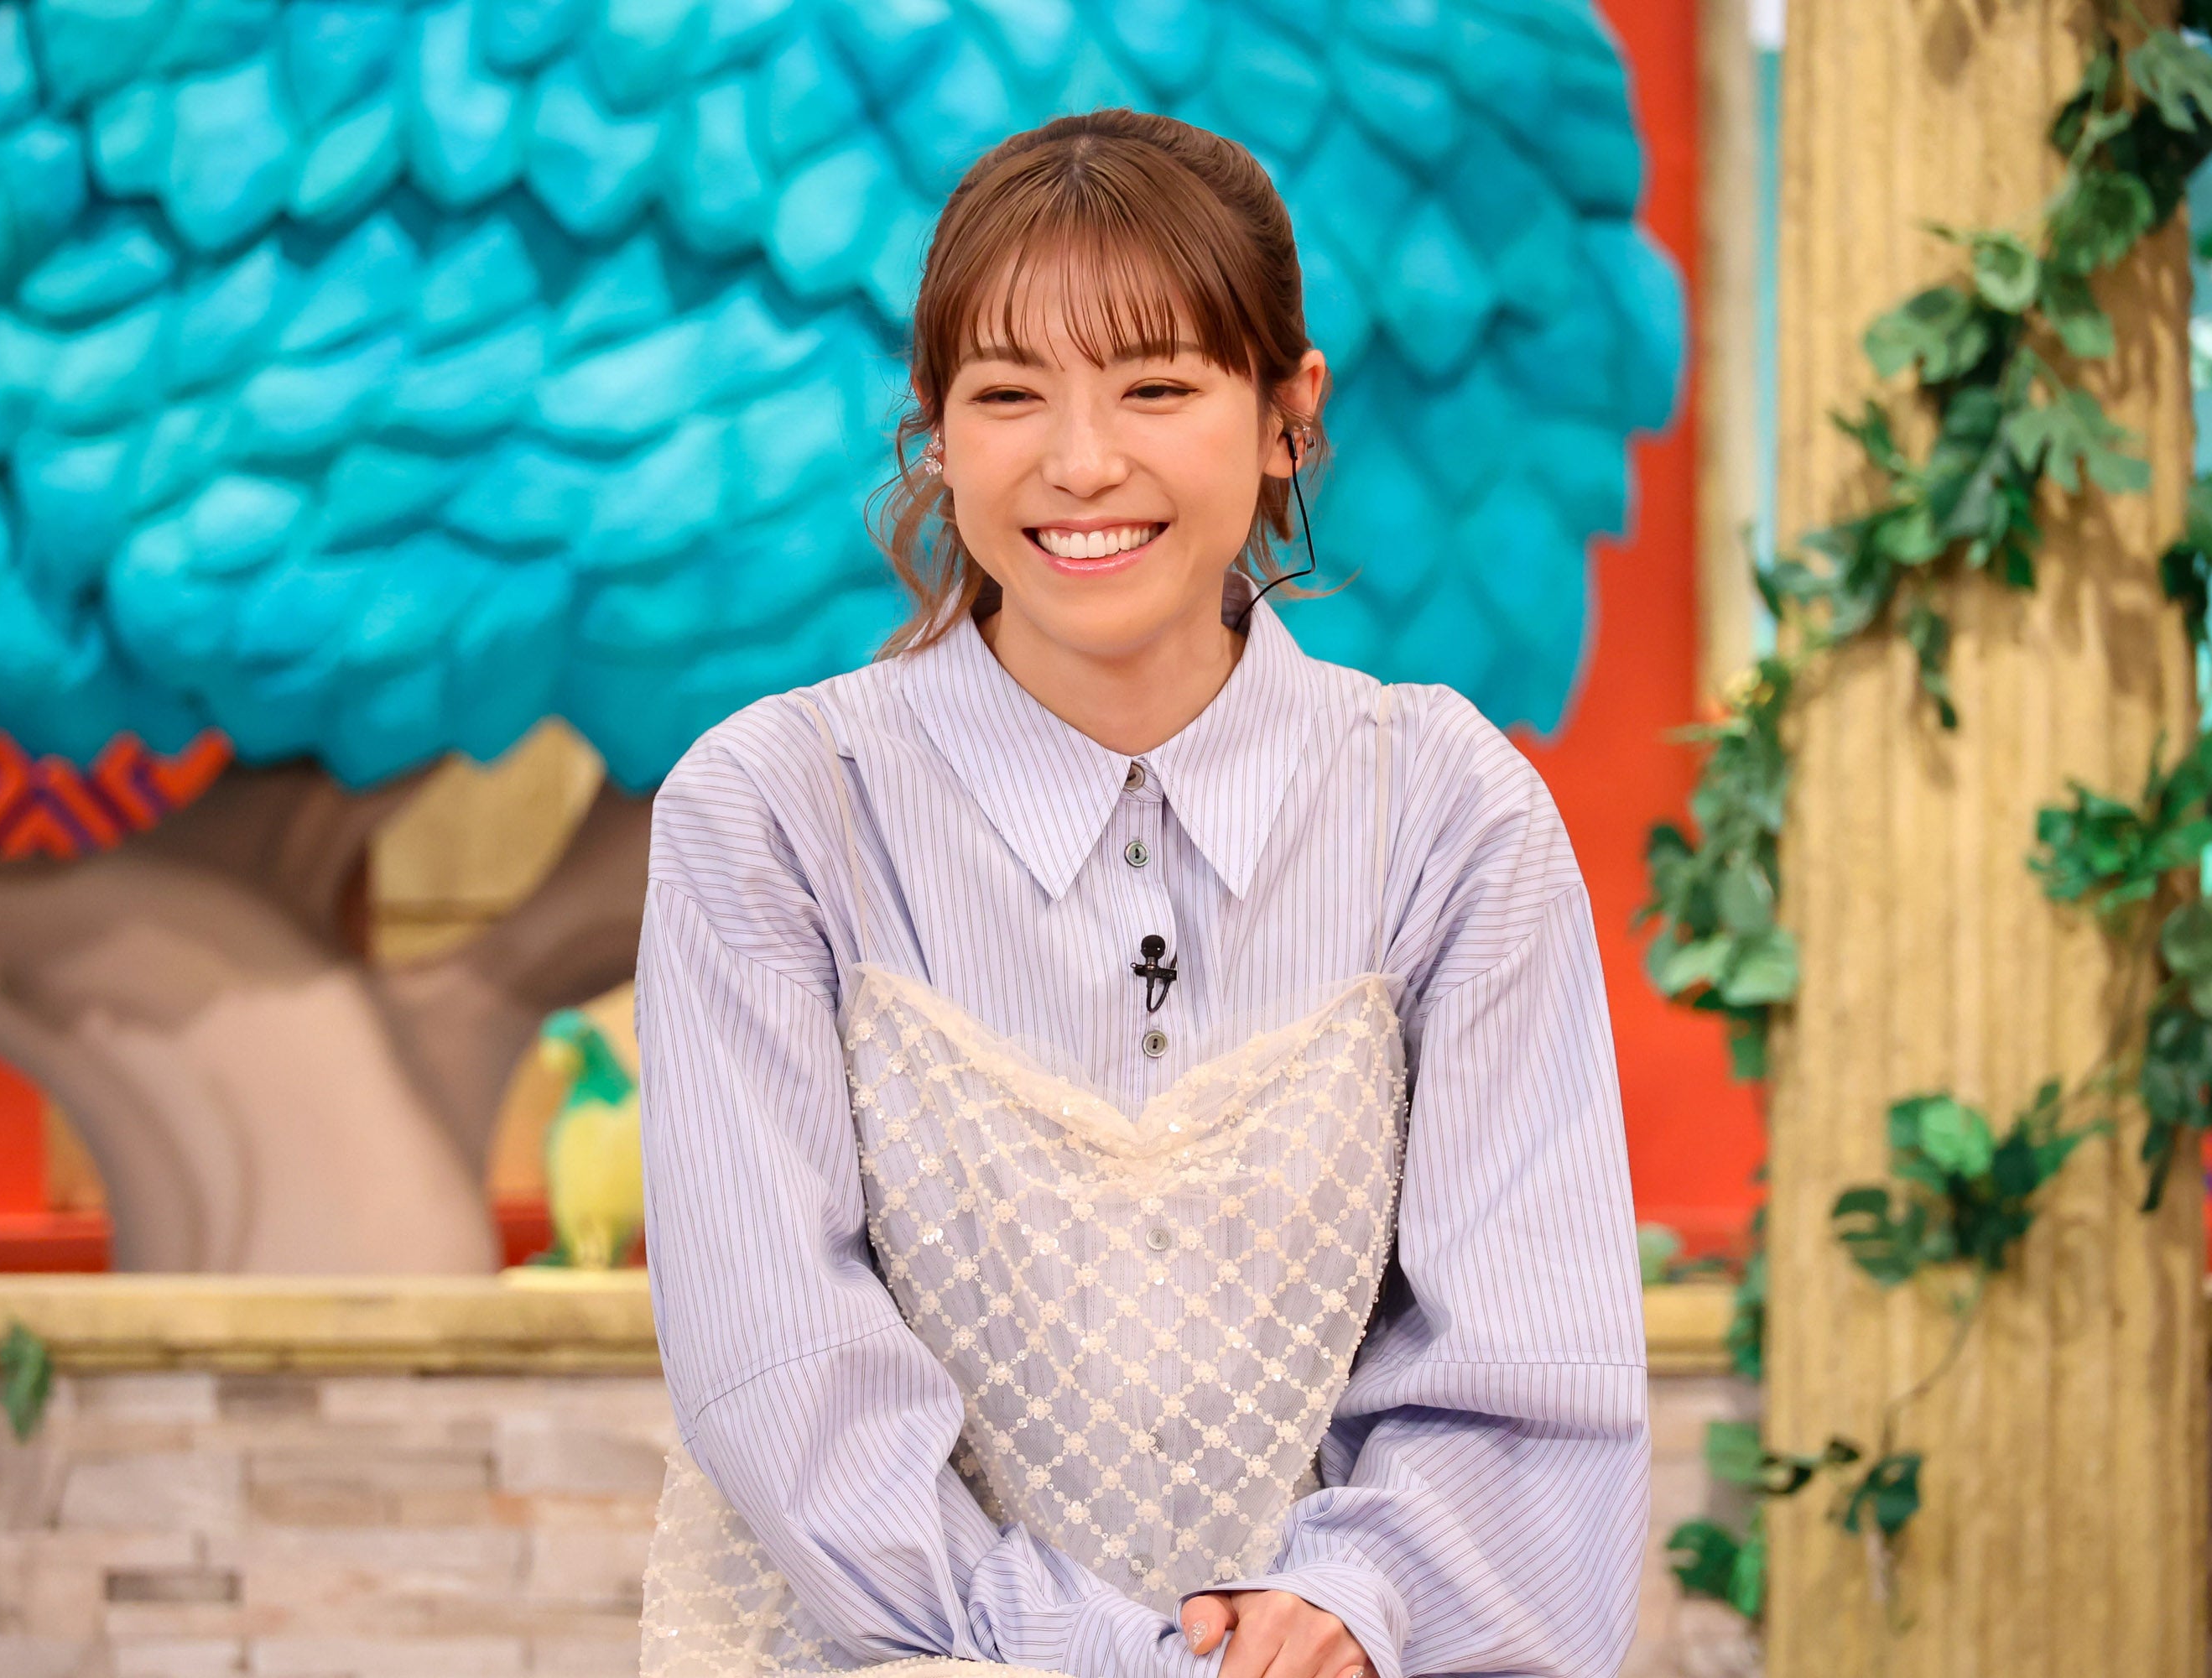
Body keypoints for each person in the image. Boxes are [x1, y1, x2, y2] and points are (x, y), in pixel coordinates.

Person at [634, 108, 1647, 1678]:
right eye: (1007, 394)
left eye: (1156, 387)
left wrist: (1352, 1606)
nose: (1081, 461)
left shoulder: (1450, 810)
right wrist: (1124, 1660)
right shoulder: (770, 813)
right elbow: (780, 1363)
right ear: (936, 432)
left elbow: (1527, 1351)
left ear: (1288, 415)